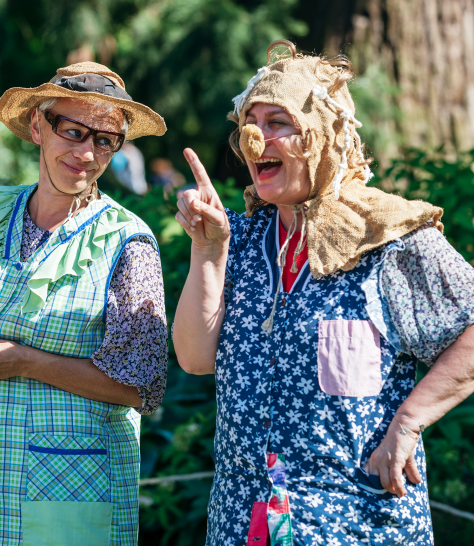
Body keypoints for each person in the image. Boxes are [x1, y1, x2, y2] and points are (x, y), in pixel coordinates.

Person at [173, 40, 474, 545]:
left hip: (357, 521)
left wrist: (409, 423)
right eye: (250, 122)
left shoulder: (387, 238)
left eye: (277, 123)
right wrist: (207, 250)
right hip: (244, 521)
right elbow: (195, 357)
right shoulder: (238, 237)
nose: (254, 138)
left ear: (321, 137)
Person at [0, 61, 169, 546]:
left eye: (105, 140)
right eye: (73, 131)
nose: (87, 152)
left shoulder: (128, 241)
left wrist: (23, 361)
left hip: (67, 510)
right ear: (37, 126)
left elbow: (142, 388)